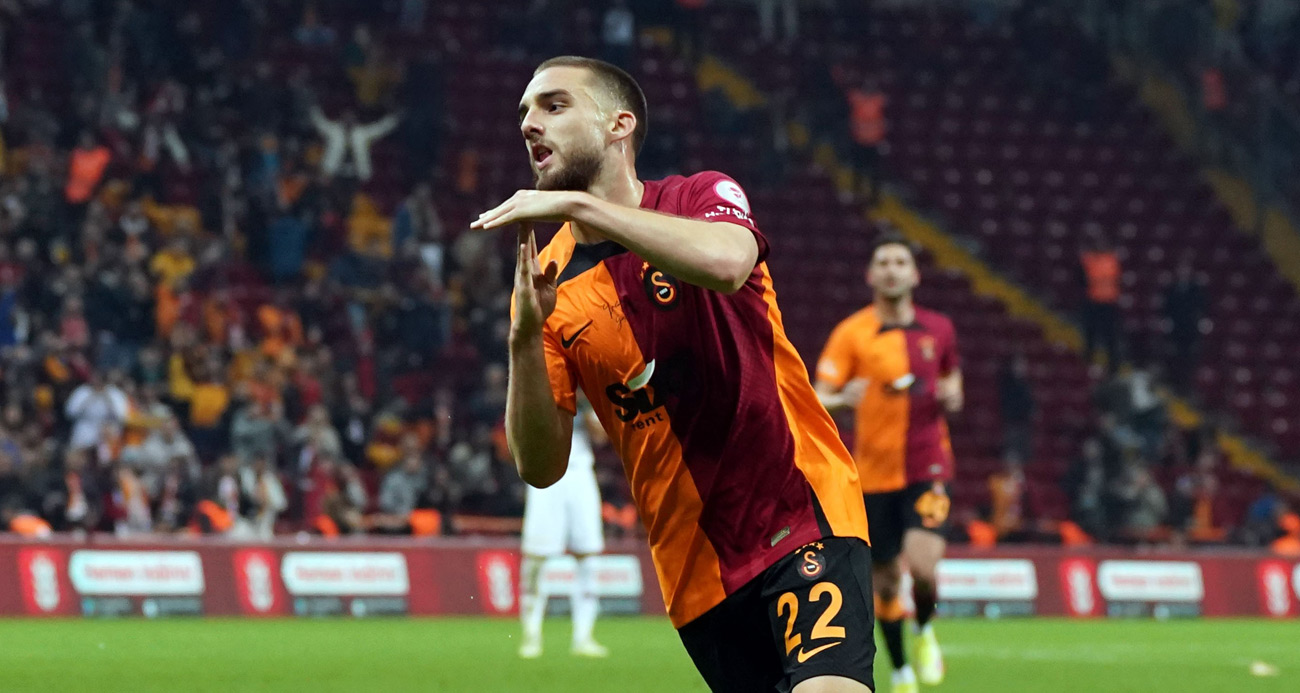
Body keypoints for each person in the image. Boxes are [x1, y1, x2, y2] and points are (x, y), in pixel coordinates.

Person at [471, 56, 874, 693]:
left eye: (554, 105)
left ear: (618, 124)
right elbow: (540, 467)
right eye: (524, 112)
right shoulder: (545, 283)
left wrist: (581, 206)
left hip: (798, 510)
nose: (528, 124)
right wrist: (523, 338)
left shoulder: (699, 197)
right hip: (695, 571)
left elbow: (728, 263)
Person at [814, 234, 962, 693]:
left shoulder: (939, 329)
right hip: (873, 475)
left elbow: (953, 381)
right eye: (883, 263)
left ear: (915, 274)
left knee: (922, 567)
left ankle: (924, 629)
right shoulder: (851, 333)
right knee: (885, 582)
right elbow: (817, 396)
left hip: (929, 468)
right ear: (870, 275)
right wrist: (842, 398)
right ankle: (900, 670)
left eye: (900, 262)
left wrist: (953, 395)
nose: (892, 270)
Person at [518, 398, 608, 659]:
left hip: (579, 473)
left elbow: (601, 436)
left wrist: (585, 405)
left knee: (588, 555)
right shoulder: (542, 387)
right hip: (545, 470)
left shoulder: (586, 397)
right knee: (536, 557)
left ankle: (584, 637)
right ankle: (531, 635)